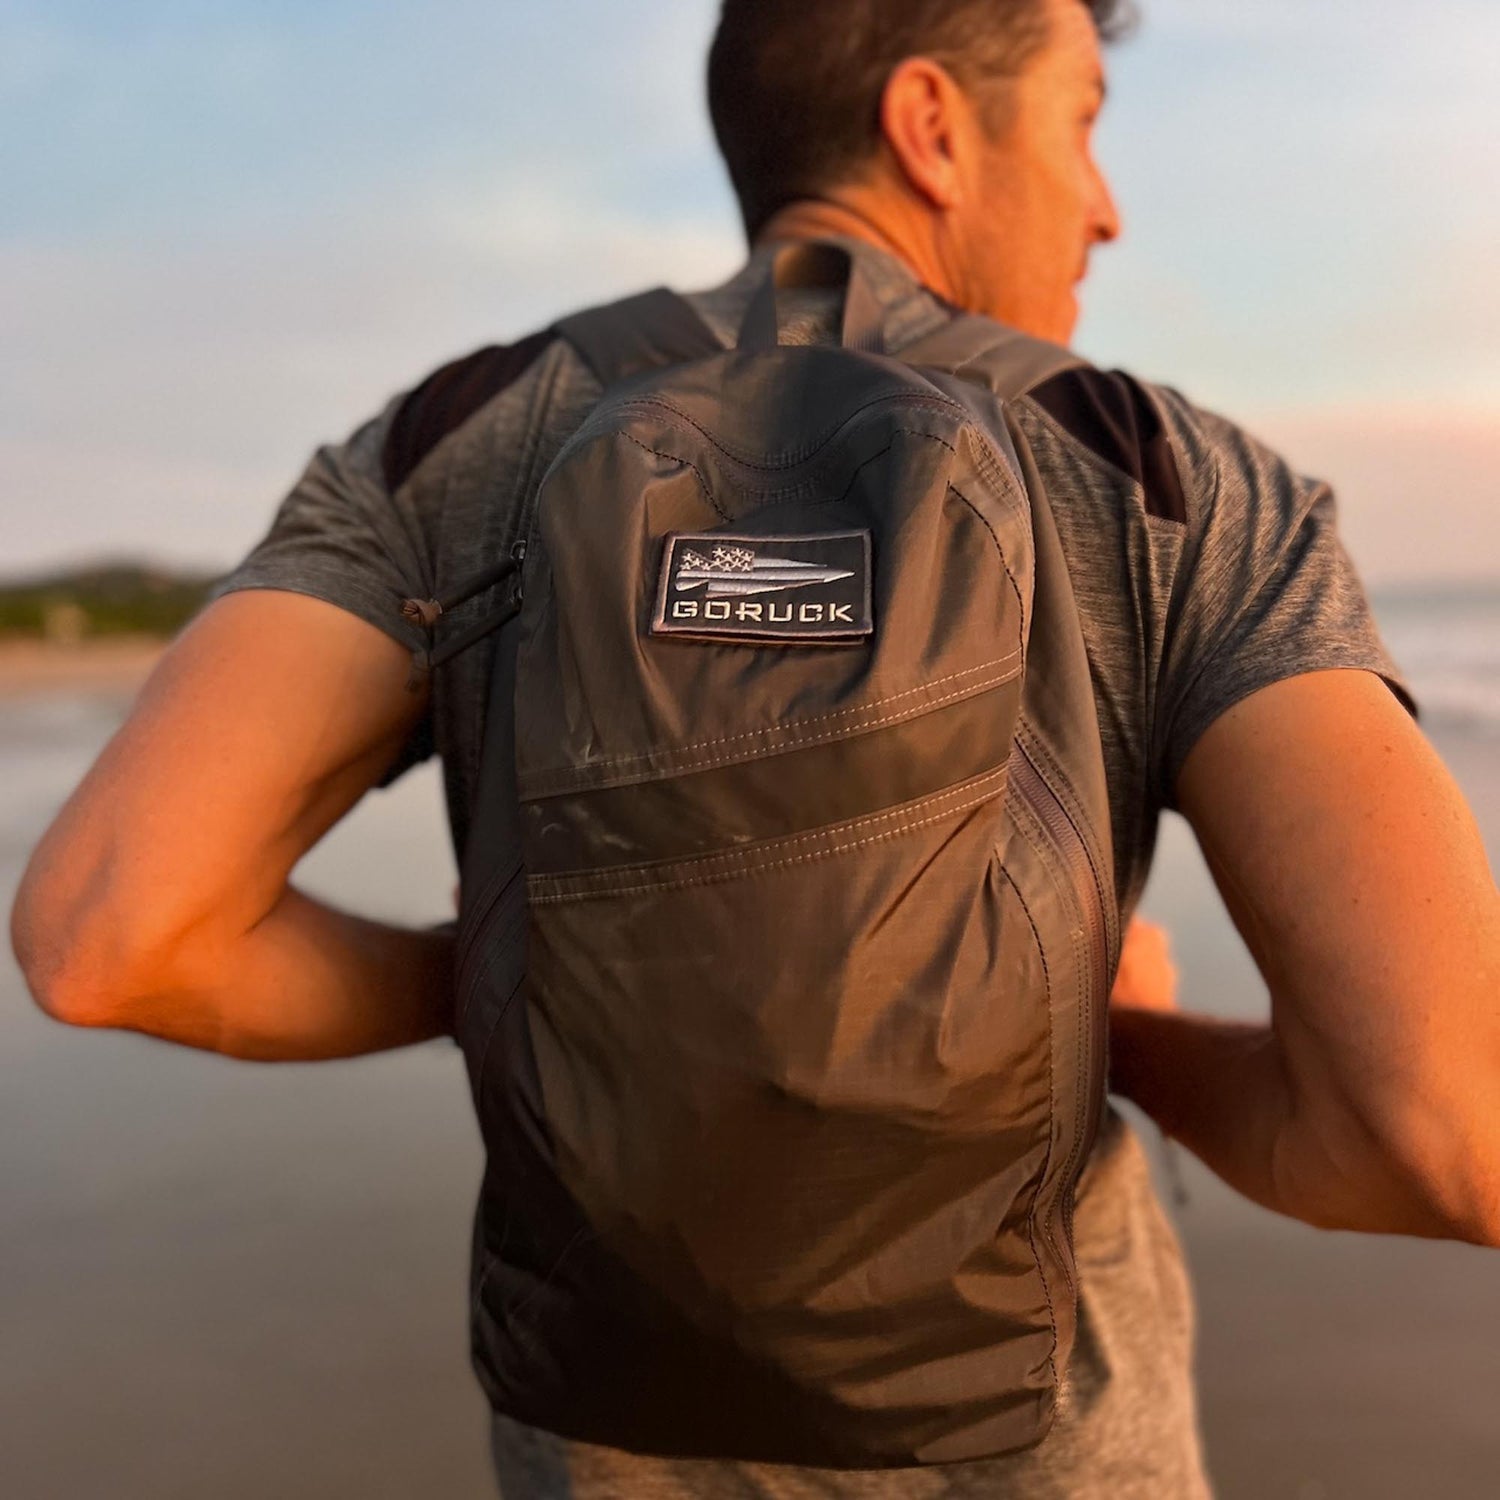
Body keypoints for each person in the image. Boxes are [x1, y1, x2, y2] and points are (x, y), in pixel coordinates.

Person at [11, 0, 1499, 1495]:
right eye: (1085, 120)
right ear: (932, 128)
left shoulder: (448, 445)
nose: (1104, 206)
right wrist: (1113, 1037)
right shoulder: (1173, 479)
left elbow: (113, 933)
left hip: (603, 1432)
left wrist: (510, 978)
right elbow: (1448, 1130)